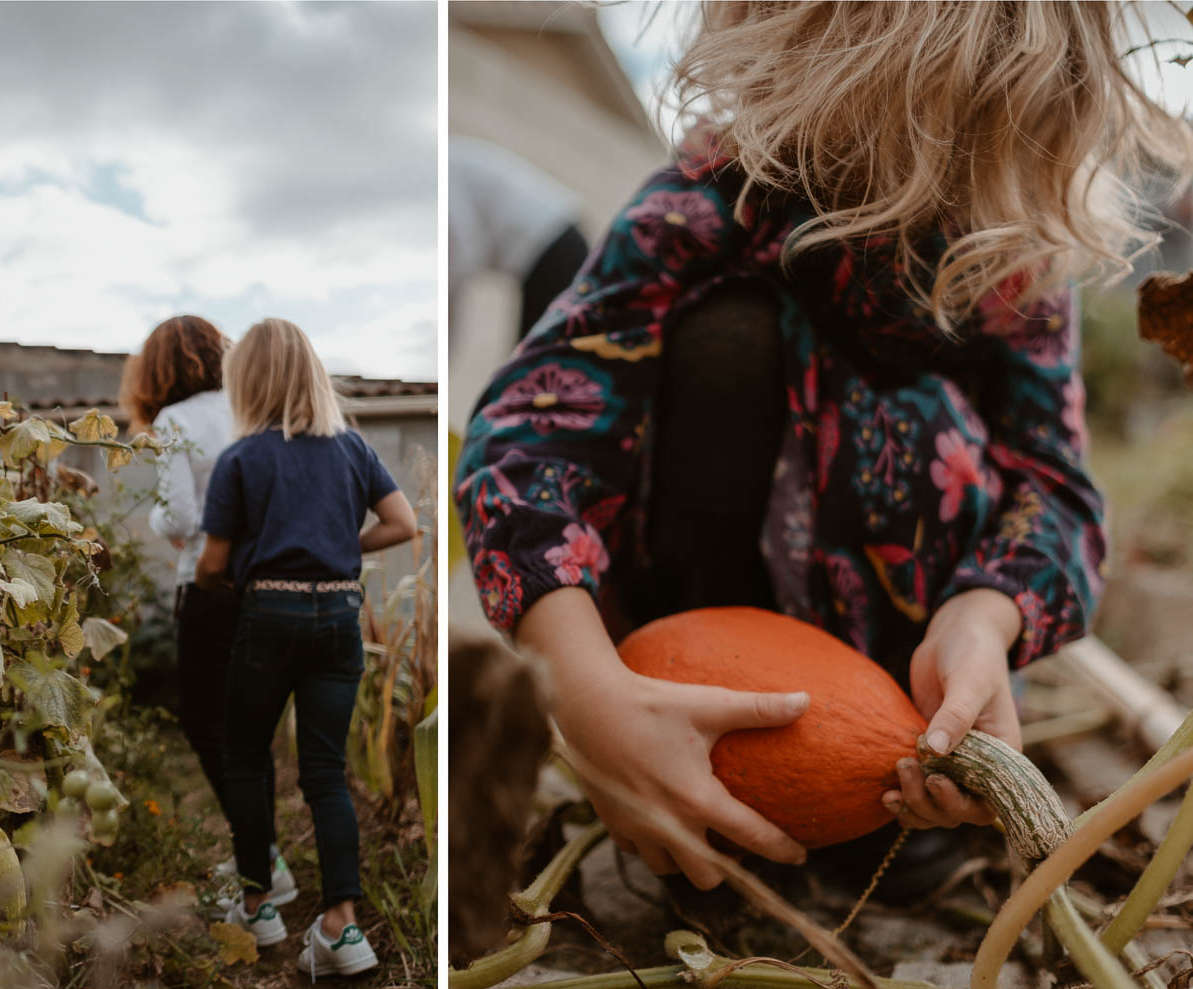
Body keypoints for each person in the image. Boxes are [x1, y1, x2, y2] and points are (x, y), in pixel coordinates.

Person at [455, 1, 1193, 892]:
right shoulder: (712, 194)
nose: (926, 201)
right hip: (705, 607)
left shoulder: (1017, 253)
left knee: (921, 415)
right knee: (724, 337)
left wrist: (985, 617)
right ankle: (688, 740)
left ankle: (880, 787)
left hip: (896, 673)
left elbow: (1057, 488)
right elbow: (533, 426)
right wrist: (583, 688)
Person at [195, 318, 418, 979]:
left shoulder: (241, 459)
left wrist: (234, 571)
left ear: (247, 382)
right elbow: (404, 523)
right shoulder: (350, 448)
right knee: (325, 773)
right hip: (338, 618)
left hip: (268, 613)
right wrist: (342, 550)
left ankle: (260, 906)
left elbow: (211, 562)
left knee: (245, 756)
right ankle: (342, 927)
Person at [122, 315, 293, 906]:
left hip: (207, 584)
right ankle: (263, 857)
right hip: (267, 581)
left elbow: (180, 518)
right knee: (248, 727)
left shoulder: (176, 421)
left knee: (205, 723)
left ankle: (262, 863)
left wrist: (153, 522)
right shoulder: (252, 408)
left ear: (157, 369)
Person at [450, 136, 591, 342]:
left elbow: (463, 253)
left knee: (528, 363)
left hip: (555, 245)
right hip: (562, 236)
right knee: (532, 359)